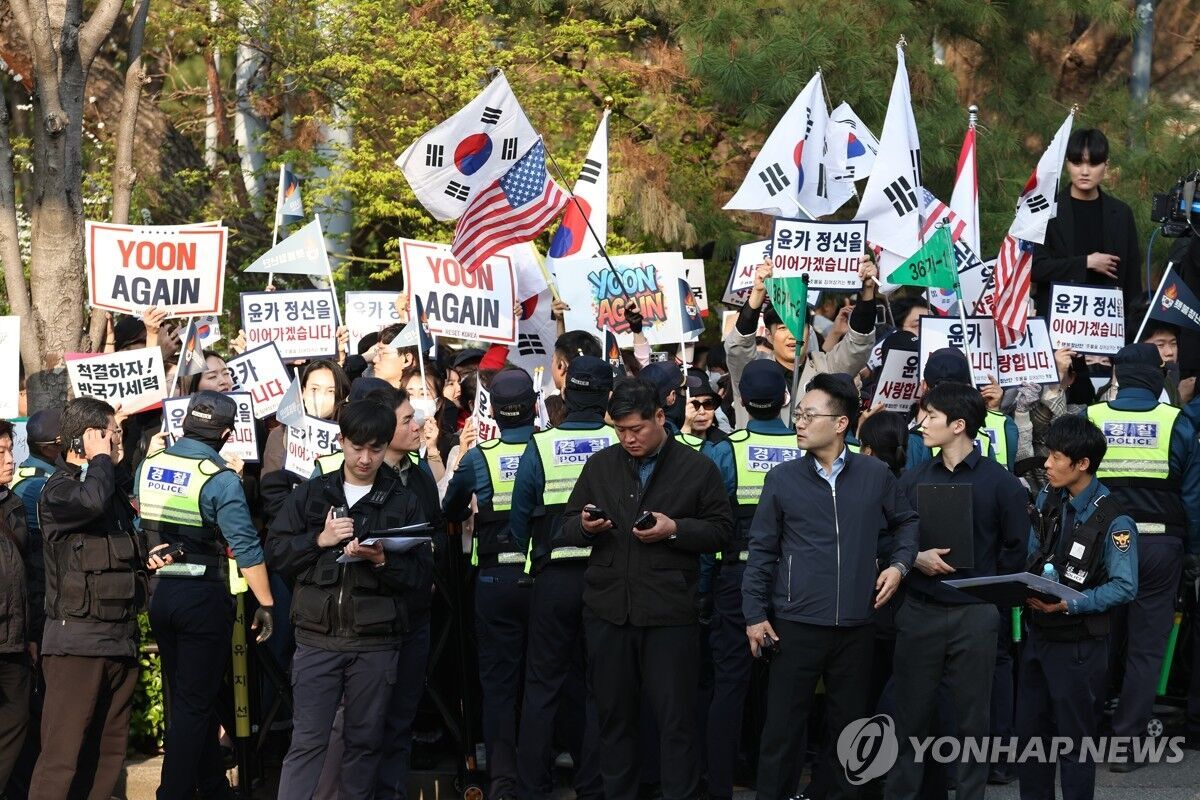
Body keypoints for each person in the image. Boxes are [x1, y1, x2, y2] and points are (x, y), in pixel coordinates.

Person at [742, 374, 918, 800]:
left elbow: (908, 522)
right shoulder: (782, 479)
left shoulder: (875, 474)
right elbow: (761, 550)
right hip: (795, 624)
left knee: (849, 732)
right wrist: (755, 615)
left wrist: (898, 566)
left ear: (841, 424)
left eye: (809, 415)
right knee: (782, 731)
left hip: (858, 625)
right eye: (798, 413)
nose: (799, 422)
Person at [561, 377, 732, 800]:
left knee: (676, 721)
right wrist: (583, 527)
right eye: (620, 430)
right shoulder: (601, 465)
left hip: (670, 613)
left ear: (660, 417)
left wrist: (676, 530)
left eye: (636, 429)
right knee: (613, 719)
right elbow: (563, 524)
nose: (629, 438)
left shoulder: (697, 467)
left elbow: (723, 530)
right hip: (608, 611)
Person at [268, 400, 431, 799]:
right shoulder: (310, 494)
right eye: (357, 447)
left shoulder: (404, 499)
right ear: (340, 441)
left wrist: (382, 561)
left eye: (375, 449)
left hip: (376, 644)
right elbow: (275, 553)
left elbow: (422, 577)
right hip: (316, 640)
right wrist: (319, 540)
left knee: (364, 744)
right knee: (306, 743)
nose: (365, 458)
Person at [885, 383, 1030, 800]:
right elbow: (888, 536)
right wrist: (914, 558)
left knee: (972, 722)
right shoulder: (911, 479)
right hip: (919, 609)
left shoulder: (1001, 483)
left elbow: (1015, 549)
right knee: (909, 718)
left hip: (976, 614)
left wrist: (987, 598)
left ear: (959, 425)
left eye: (930, 417)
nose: (921, 424)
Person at [28, 398, 173, 800]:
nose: (117, 440)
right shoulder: (60, 489)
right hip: (76, 646)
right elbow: (88, 502)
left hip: (117, 641)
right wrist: (100, 460)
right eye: (111, 432)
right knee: (62, 759)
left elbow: (112, 549)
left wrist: (146, 562)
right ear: (89, 438)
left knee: (107, 757)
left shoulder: (109, 487)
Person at [135, 390, 277, 799]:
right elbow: (247, 548)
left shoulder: (149, 464)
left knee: (189, 697)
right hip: (201, 597)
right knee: (195, 704)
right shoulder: (219, 479)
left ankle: (213, 786)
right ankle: (173, 793)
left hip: (161, 595)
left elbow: (137, 514)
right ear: (227, 434)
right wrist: (266, 603)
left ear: (184, 424)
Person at [1086, 342, 1200, 771]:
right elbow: (1192, 498)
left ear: (1118, 374)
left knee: (1097, 639)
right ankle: (1125, 744)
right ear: (1156, 376)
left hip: (1103, 545)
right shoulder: (1179, 423)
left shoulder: (1092, 417)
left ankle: (1087, 734)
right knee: (1146, 647)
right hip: (1158, 546)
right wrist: (1192, 552)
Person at [1017, 415, 1137, 799]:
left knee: (1074, 747)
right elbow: (1034, 555)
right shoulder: (1047, 499)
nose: (1047, 465)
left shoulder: (1114, 519)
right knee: (1031, 743)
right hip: (1038, 637)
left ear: (1082, 463)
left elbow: (1124, 586)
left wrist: (1070, 605)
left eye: (1055, 456)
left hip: (1080, 646)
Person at [511, 356, 615, 800]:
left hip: (553, 577)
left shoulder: (541, 444)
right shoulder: (621, 441)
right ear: (608, 396)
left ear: (567, 393)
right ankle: (592, 787)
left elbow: (519, 515)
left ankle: (532, 787)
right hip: (607, 579)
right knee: (601, 688)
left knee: (542, 687)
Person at [442, 368, 539, 800]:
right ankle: (539, 776)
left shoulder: (479, 457)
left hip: (495, 580)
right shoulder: (551, 449)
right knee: (546, 678)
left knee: (498, 686)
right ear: (536, 406)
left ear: (493, 413)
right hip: (544, 578)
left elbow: (451, 508)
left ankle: (503, 782)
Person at [705, 359, 797, 800]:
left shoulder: (726, 450)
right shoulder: (806, 447)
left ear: (740, 401)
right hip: (797, 581)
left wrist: (705, 589)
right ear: (784, 399)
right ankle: (776, 783)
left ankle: (719, 784)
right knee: (786, 688)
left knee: (730, 684)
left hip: (737, 578)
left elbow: (710, 523)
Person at [724, 257, 878, 426]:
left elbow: (858, 344)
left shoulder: (827, 367)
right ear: (768, 334)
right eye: (783, 328)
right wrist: (758, 292)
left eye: (798, 327)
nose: (793, 335)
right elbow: (738, 347)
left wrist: (868, 291)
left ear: (809, 330)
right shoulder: (752, 370)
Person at [1030, 128, 1141, 317]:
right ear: (1067, 164)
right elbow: (1035, 268)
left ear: (1106, 165)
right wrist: (1086, 262)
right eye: (1077, 162)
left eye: (1093, 163)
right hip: (1059, 324)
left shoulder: (1121, 214)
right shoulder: (1046, 211)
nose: (1084, 171)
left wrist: (1133, 331)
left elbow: (1132, 278)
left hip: (1108, 327)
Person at [0, 420, 30, 790]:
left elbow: (31, 573)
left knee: (16, 723)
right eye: (0, 453)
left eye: (9, 450)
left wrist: (32, 634)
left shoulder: (15, 503)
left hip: (15, 641)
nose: (9, 460)